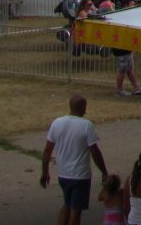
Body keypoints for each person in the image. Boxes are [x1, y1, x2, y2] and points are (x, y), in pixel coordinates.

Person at [42, 94, 110, 225]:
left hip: (63, 175)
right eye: (85, 107)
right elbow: (95, 151)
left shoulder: (57, 123)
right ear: (82, 107)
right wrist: (104, 171)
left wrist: (45, 172)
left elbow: (47, 150)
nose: (86, 110)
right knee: (76, 211)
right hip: (80, 176)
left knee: (67, 204)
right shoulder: (86, 125)